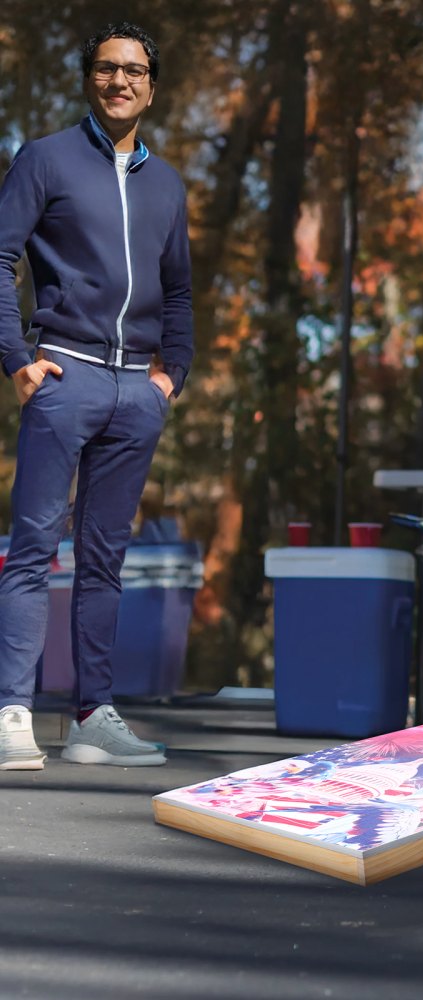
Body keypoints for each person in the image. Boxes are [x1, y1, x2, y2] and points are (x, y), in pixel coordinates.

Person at [0, 22, 193, 769]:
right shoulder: (45, 158)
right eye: (107, 69)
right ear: (89, 80)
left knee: (104, 562)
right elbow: (1, 258)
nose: (120, 81)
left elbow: (179, 291)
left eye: (134, 70)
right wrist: (18, 362)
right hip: (64, 376)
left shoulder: (167, 184)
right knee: (32, 551)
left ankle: (92, 719)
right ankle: (12, 712)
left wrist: (170, 377)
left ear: (152, 87)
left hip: (136, 391)